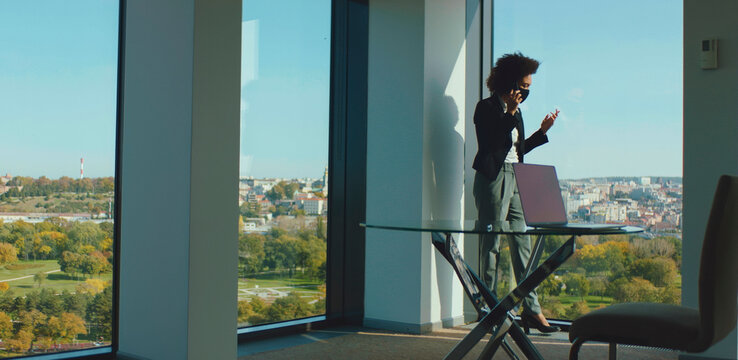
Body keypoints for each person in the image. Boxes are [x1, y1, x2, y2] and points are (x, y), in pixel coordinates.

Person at [472, 52, 559, 334]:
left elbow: (516, 150)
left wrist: (541, 132)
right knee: (492, 245)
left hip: (516, 176)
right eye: (524, 86)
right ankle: (488, 309)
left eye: (529, 87)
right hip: (493, 179)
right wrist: (509, 112)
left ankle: (531, 309)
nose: (526, 92)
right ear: (509, 83)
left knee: (522, 244)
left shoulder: (517, 111)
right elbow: (492, 144)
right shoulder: (485, 108)